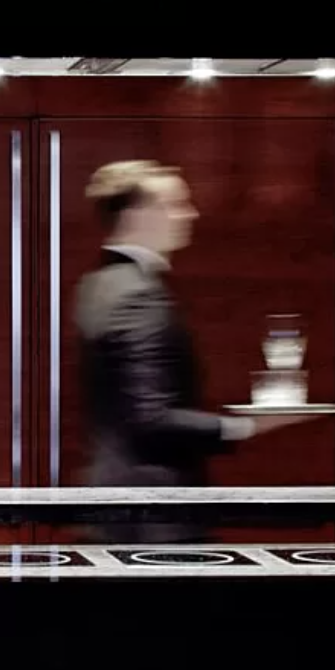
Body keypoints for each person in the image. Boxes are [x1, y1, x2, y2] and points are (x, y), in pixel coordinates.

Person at [74, 160, 308, 542]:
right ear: (137, 215)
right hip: (154, 515)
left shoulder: (100, 283)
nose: (190, 214)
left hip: (120, 507)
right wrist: (248, 425)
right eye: (175, 204)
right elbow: (150, 418)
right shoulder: (137, 294)